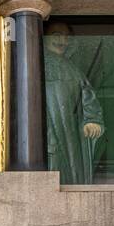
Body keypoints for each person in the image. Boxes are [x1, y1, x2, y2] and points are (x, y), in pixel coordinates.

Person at [44, 23, 105, 184]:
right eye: (56, 34)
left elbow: (88, 97)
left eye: (66, 36)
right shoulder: (35, 65)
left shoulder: (73, 70)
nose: (62, 40)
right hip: (50, 137)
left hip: (71, 136)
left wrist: (92, 120)